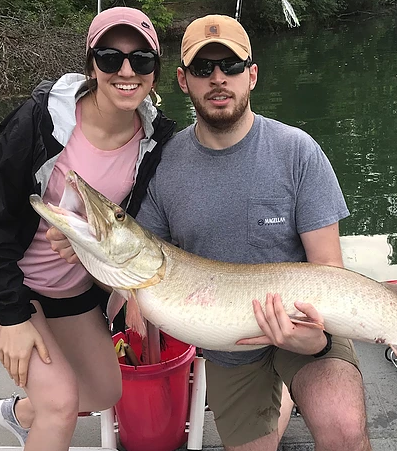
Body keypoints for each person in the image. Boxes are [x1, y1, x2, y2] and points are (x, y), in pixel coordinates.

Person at [134, 15, 372, 451]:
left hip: (308, 323)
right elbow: (145, 265)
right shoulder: (162, 166)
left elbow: (327, 270)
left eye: (232, 66)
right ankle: (279, 398)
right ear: (184, 81)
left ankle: (292, 387)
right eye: (204, 69)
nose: (219, 79)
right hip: (229, 346)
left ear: (253, 75)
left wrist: (315, 338)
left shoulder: (298, 151)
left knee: (344, 429)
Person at [0, 7, 175, 451]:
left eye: (141, 60)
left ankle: (19, 412)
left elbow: (146, 223)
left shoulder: (157, 139)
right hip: (4, 286)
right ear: (91, 65)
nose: (126, 71)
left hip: (70, 289)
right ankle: (45, 409)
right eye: (109, 57)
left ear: (155, 74)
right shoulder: (41, 122)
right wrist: (11, 317)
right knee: (61, 404)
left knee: (105, 391)